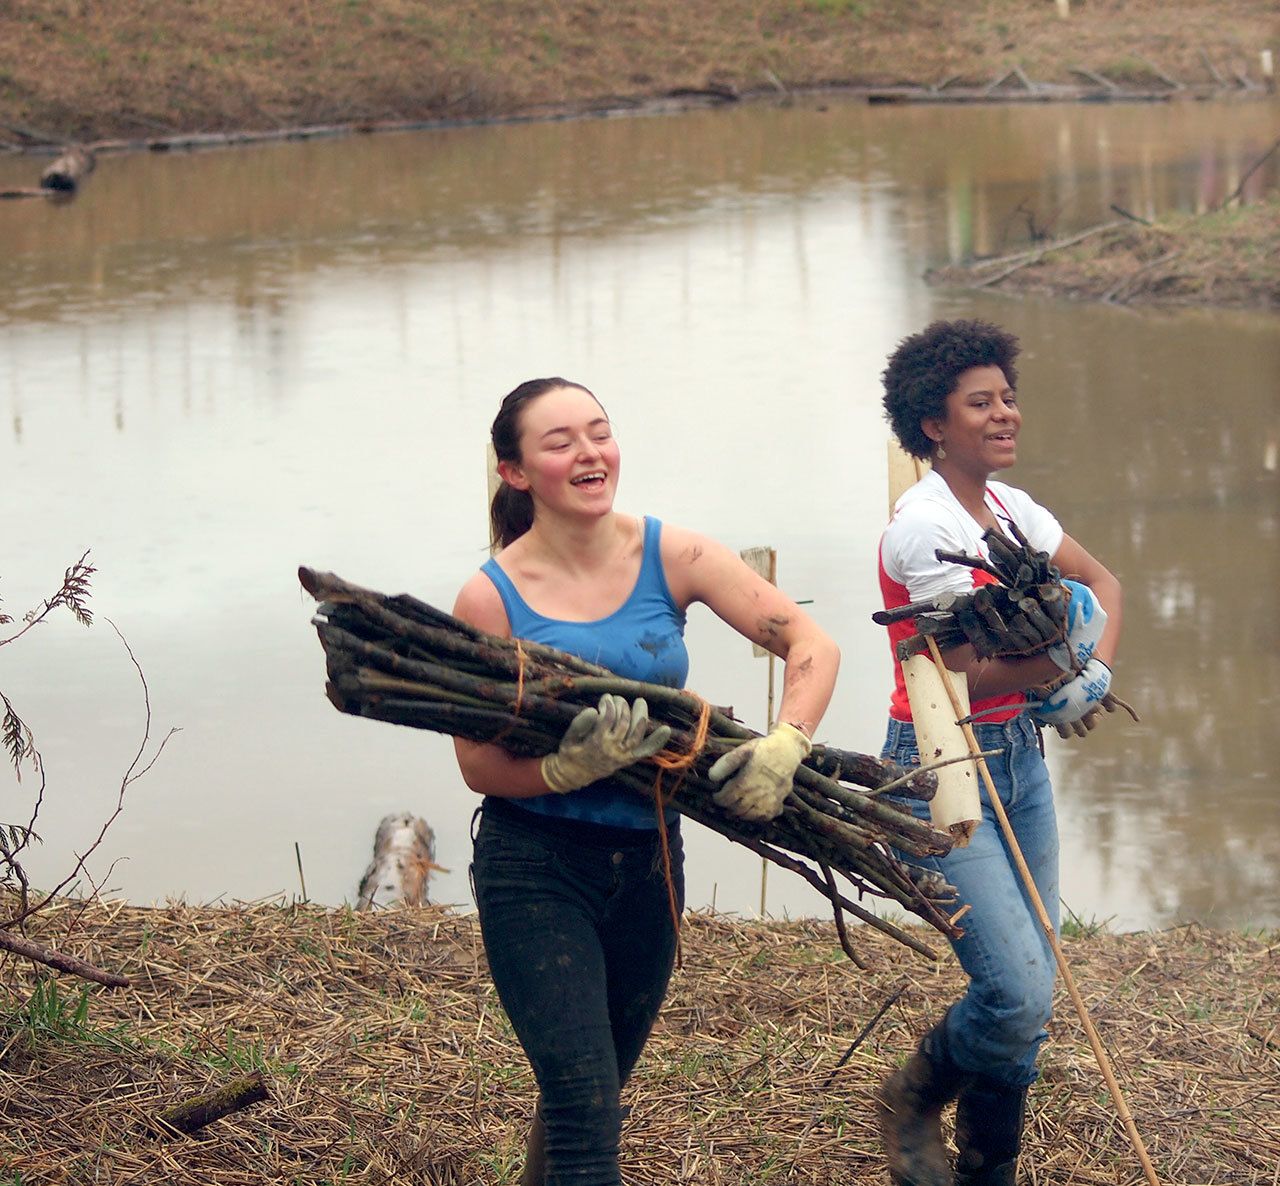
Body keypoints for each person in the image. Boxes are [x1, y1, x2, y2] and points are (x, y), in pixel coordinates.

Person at [451, 377, 840, 1185]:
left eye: (599, 432)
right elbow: (476, 764)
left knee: (581, 1106)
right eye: (560, 442)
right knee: (587, 1110)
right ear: (515, 471)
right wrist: (564, 768)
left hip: (651, 865)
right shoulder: (489, 599)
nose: (590, 452)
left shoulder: (674, 555)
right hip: (537, 868)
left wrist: (786, 743)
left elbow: (812, 644)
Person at [873, 321, 1123, 1186]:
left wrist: (1093, 668)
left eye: (1008, 397)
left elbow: (1107, 585)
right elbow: (963, 677)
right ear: (933, 425)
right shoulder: (924, 530)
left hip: (1020, 755)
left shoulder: (1016, 511)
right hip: (943, 763)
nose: (1004, 413)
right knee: (1015, 990)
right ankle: (911, 1096)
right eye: (980, 403)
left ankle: (989, 1169)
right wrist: (1067, 660)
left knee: (1037, 993)